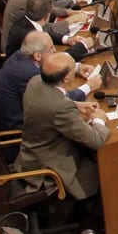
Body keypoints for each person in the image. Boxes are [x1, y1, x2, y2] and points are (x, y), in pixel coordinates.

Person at [16, 52, 108, 200]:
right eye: (73, 69)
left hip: (31, 154)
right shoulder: (60, 108)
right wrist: (99, 120)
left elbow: (51, 103)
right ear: (66, 79)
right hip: (50, 165)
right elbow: (96, 140)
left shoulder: (36, 81)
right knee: (107, 168)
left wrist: (75, 105)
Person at [0, 31, 97, 132]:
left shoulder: (22, 56)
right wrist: (88, 87)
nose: (55, 50)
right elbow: (58, 99)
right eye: (51, 49)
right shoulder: (29, 74)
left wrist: (76, 68)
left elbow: (48, 69)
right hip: (22, 129)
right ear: (37, 55)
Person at [5, 0, 91, 60]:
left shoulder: (28, 20)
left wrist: (68, 39)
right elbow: (52, 62)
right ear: (47, 16)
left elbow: (47, 32)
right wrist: (83, 46)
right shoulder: (30, 37)